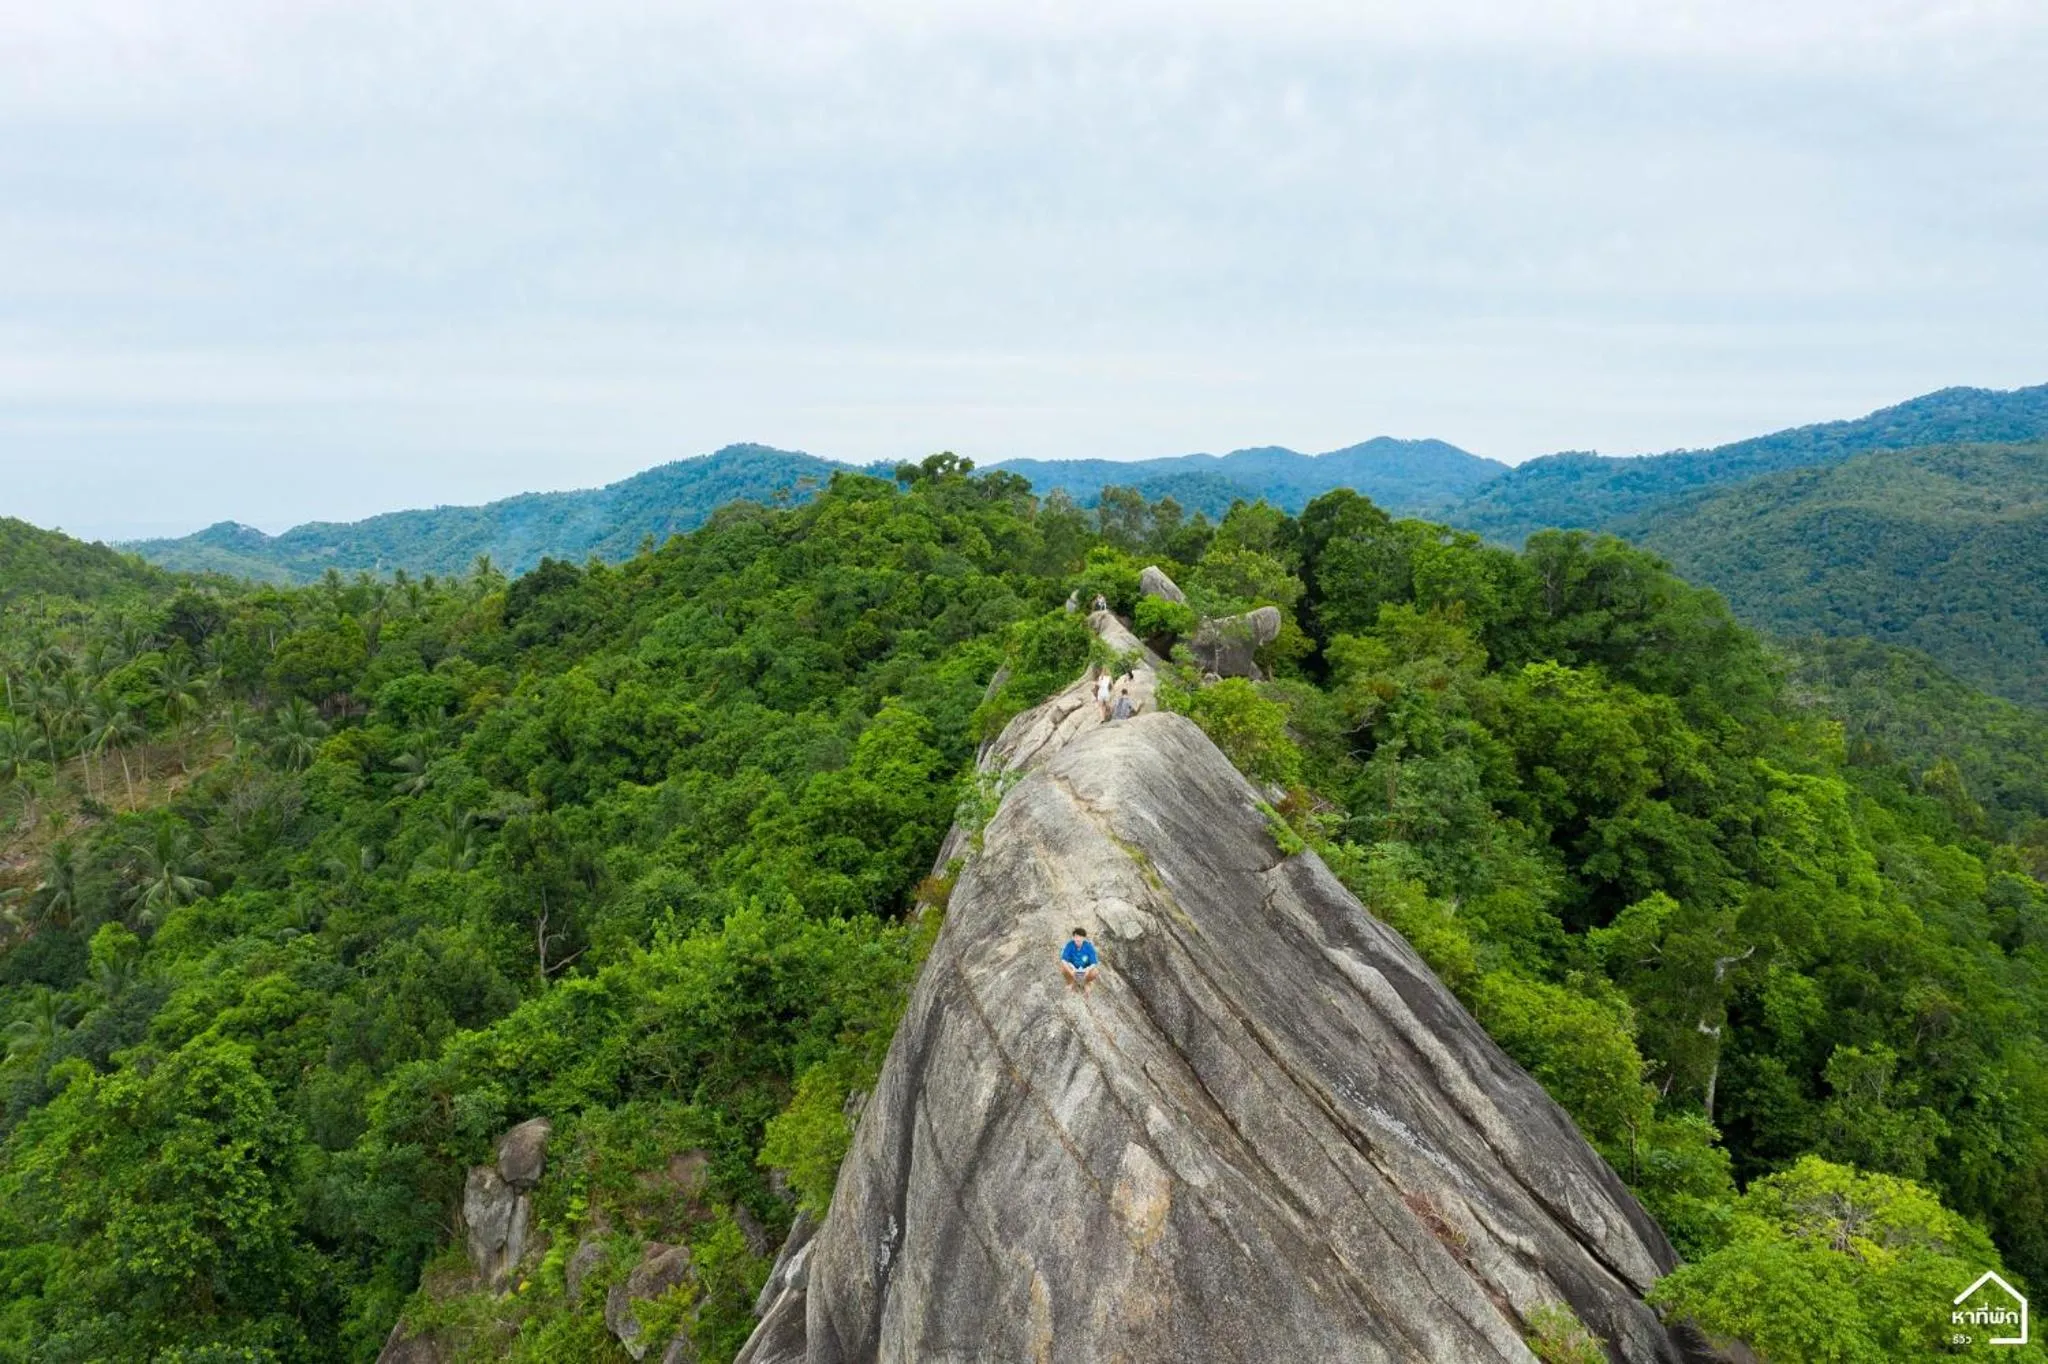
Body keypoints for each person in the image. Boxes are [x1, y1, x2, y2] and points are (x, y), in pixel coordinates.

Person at [1060, 927, 1101, 992]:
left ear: (1084, 938)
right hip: (1073, 968)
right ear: (1073, 937)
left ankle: (1086, 983)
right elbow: (1063, 960)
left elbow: (1094, 962)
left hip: (1085, 969)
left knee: (1095, 972)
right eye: (1076, 936)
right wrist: (1071, 971)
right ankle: (1071, 982)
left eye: (1080, 937)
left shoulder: (1088, 946)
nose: (1078, 939)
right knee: (1063, 968)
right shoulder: (1069, 945)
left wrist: (1088, 969)